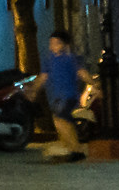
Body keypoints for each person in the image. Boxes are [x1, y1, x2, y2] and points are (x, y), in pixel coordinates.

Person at [37, 28, 93, 162]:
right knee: (64, 122)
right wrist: (33, 89)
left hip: (68, 95)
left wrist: (93, 83)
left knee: (61, 121)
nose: (53, 46)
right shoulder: (49, 59)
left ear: (64, 44)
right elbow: (43, 77)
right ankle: (73, 149)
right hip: (56, 96)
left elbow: (81, 72)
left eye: (56, 43)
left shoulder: (70, 58)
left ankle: (75, 149)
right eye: (51, 43)